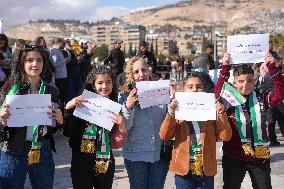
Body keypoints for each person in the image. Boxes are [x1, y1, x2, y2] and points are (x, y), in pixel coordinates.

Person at [215, 52, 284, 189]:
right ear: (234, 83)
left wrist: (272, 67)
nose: (245, 85)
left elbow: (281, 93)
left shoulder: (262, 98)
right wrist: (225, 68)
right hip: (233, 156)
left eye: (249, 80)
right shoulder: (228, 100)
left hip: (259, 157)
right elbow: (216, 95)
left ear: (255, 80)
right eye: (241, 81)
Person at [0, 45, 64, 189]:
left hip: (42, 148)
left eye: (39, 60)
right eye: (29, 60)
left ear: (44, 63)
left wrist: (60, 120)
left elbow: (54, 128)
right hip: (13, 149)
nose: (35, 64)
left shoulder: (51, 91)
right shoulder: (9, 90)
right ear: (22, 64)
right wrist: (1, 118)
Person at [160, 73, 232, 189]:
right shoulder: (178, 114)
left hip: (206, 169)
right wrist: (171, 113)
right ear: (183, 90)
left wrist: (221, 114)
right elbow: (164, 135)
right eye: (190, 87)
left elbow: (226, 136)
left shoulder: (211, 112)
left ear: (203, 90)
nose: (195, 90)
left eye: (199, 86)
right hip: (184, 170)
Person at [63, 65, 127, 189]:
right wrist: (68, 108)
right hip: (81, 159)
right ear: (93, 85)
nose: (104, 86)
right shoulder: (82, 103)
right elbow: (68, 131)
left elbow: (116, 143)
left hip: (104, 160)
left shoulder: (115, 107)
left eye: (108, 82)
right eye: (100, 83)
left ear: (113, 84)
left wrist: (122, 124)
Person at [118, 56, 171, 189]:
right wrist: (128, 107)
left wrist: (173, 99)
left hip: (159, 154)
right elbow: (125, 128)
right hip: (136, 154)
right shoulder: (124, 95)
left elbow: (169, 121)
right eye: (136, 72)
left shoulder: (161, 90)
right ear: (131, 75)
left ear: (149, 71)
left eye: (144, 70)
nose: (141, 74)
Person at [50, 38, 68, 108]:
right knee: (60, 96)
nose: (64, 45)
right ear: (58, 43)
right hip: (59, 77)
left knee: (63, 95)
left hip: (63, 76)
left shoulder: (59, 51)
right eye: (63, 43)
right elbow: (54, 64)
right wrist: (64, 60)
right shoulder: (54, 51)